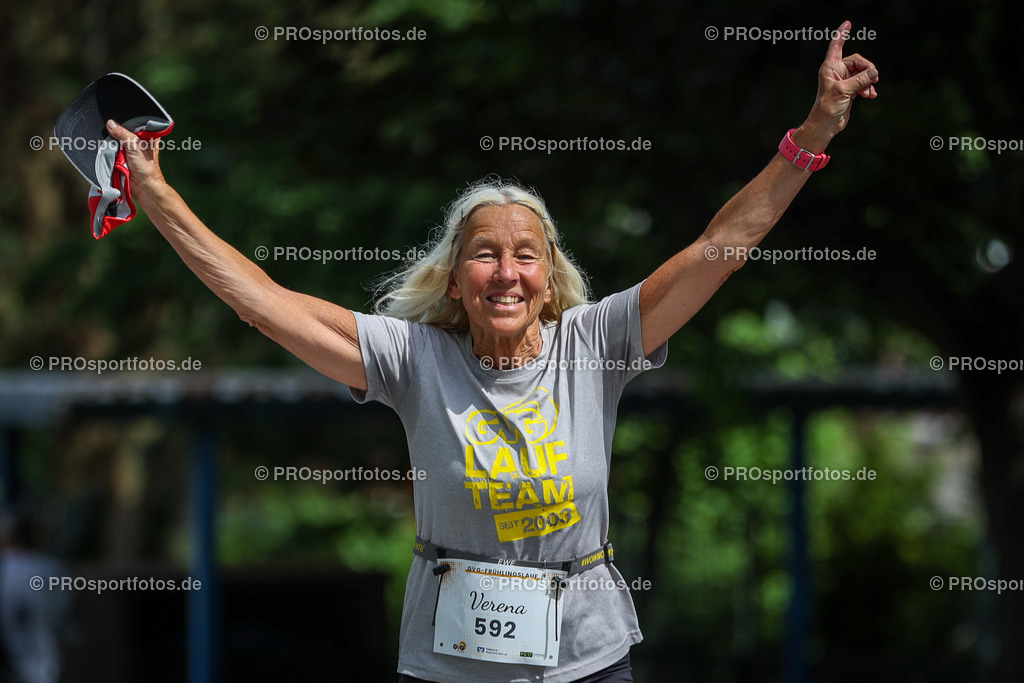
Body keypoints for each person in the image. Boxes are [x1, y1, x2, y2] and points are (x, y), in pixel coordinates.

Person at [104, 21, 877, 683]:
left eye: (525, 256)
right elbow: (264, 305)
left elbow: (720, 246)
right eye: (484, 254)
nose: (506, 272)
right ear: (454, 280)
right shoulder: (411, 356)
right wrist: (159, 194)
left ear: (549, 281)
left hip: (586, 654)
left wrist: (812, 135)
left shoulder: (597, 341)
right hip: (449, 660)